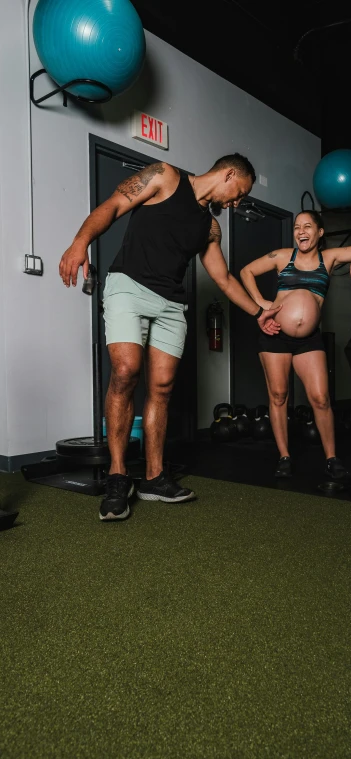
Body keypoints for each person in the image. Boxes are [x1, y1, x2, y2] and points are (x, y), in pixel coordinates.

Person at [59, 153, 281, 521]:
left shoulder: (211, 228)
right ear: (229, 174)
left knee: (161, 387)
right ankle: (118, 476)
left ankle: (154, 477)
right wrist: (79, 242)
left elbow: (224, 279)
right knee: (126, 371)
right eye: (240, 193)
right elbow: (114, 206)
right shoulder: (165, 176)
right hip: (128, 287)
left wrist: (259, 313)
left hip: (171, 304)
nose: (237, 203)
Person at [240, 210, 351, 480]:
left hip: (310, 341)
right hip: (275, 335)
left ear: (320, 232)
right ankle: (284, 457)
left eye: (308, 226)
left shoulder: (330, 258)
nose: (301, 231)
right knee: (278, 397)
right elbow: (246, 272)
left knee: (321, 398)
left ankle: (332, 459)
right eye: (297, 227)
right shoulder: (282, 256)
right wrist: (261, 304)